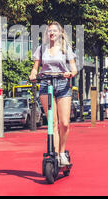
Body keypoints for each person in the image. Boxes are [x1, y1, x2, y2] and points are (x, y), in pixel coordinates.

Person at [29, 21, 78, 167]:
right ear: (46, 33)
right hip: (46, 84)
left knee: (65, 123)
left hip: (62, 84)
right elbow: (35, 68)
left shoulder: (65, 49)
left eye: (54, 31)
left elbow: (74, 68)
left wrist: (70, 73)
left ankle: (62, 152)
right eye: (49, 31)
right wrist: (33, 74)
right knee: (53, 123)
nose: (52, 33)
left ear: (60, 33)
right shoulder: (41, 49)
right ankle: (56, 154)